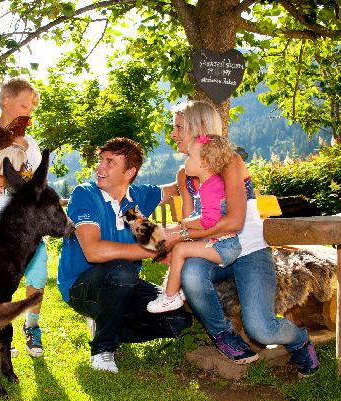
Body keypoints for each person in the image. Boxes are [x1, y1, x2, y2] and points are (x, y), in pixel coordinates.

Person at [165, 100, 319, 375]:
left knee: (261, 328)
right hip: (215, 251)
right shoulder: (185, 174)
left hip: (249, 251)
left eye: (178, 127)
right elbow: (190, 223)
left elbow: (234, 222)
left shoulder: (230, 162)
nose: (173, 134)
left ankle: (299, 340)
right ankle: (224, 335)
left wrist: (182, 234)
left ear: (198, 129)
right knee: (190, 273)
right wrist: (180, 241)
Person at [57, 137, 192, 373]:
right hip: (80, 285)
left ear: (129, 172)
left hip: (124, 284)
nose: (100, 167)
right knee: (122, 269)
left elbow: (173, 191)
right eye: (101, 160)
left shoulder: (133, 203)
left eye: (110, 162)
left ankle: (109, 324)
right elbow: (93, 251)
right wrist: (151, 249)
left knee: (178, 319)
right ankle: (103, 350)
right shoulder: (85, 194)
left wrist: (185, 170)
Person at [0, 77, 48, 357]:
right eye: (24, 104)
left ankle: (32, 326)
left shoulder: (32, 145)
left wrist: (17, 180)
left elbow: (37, 182)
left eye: (32, 107)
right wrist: (6, 176)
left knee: (37, 272)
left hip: (27, 223)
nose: (29, 111)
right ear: (6, 101)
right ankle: (0, 335)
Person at [147, 134, 241, 313]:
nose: (186, 160)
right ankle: (180, 290)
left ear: (204, 163)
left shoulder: (209, 188)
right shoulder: (211, 183)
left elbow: (208, 220)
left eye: (190, 156)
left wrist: (184, 224)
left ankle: (170, 296)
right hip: (220, 242)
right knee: (179, 248)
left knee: (180, 250)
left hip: (224, 246)